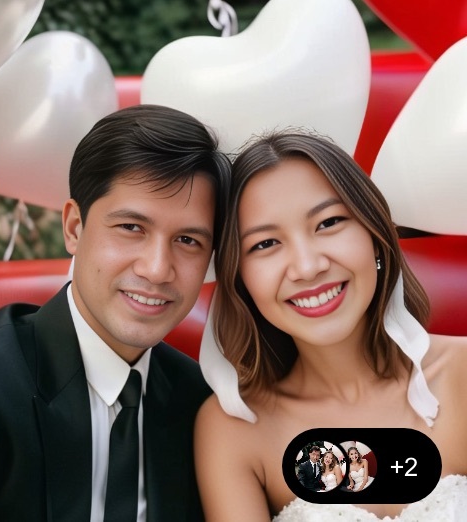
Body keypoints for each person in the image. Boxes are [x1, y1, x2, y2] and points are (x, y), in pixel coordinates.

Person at [0, 104, 231, 522]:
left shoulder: (202, 404)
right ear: (74, 227)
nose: (157, 269)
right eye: (131, 228)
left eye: (188, 240)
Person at [195, 129, 467, 521]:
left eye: (328, 222)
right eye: (265, 244)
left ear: (375, 235)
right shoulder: (235, 429)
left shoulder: (462, 373)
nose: (308, 267)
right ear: (240, 279)